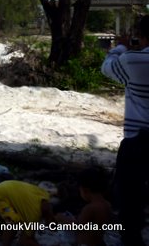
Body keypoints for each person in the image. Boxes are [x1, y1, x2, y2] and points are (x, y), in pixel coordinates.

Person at [101, 14, 149, 246]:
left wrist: (119, 47)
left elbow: (107, 68)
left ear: (141, 36)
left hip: (137, 137)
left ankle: (132, 237)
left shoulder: (132, 59)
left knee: (130, 191)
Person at [55, 167, 113, 246]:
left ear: (85, 190)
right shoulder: (107, 205)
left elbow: (78, 226)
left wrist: (62, 218)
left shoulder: (90, 208)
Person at [0, 180, 55, 246]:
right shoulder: (33, 216)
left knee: (21, 224)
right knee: (13, 222)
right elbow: (23, 241)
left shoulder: (45, 194)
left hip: (8, 185)